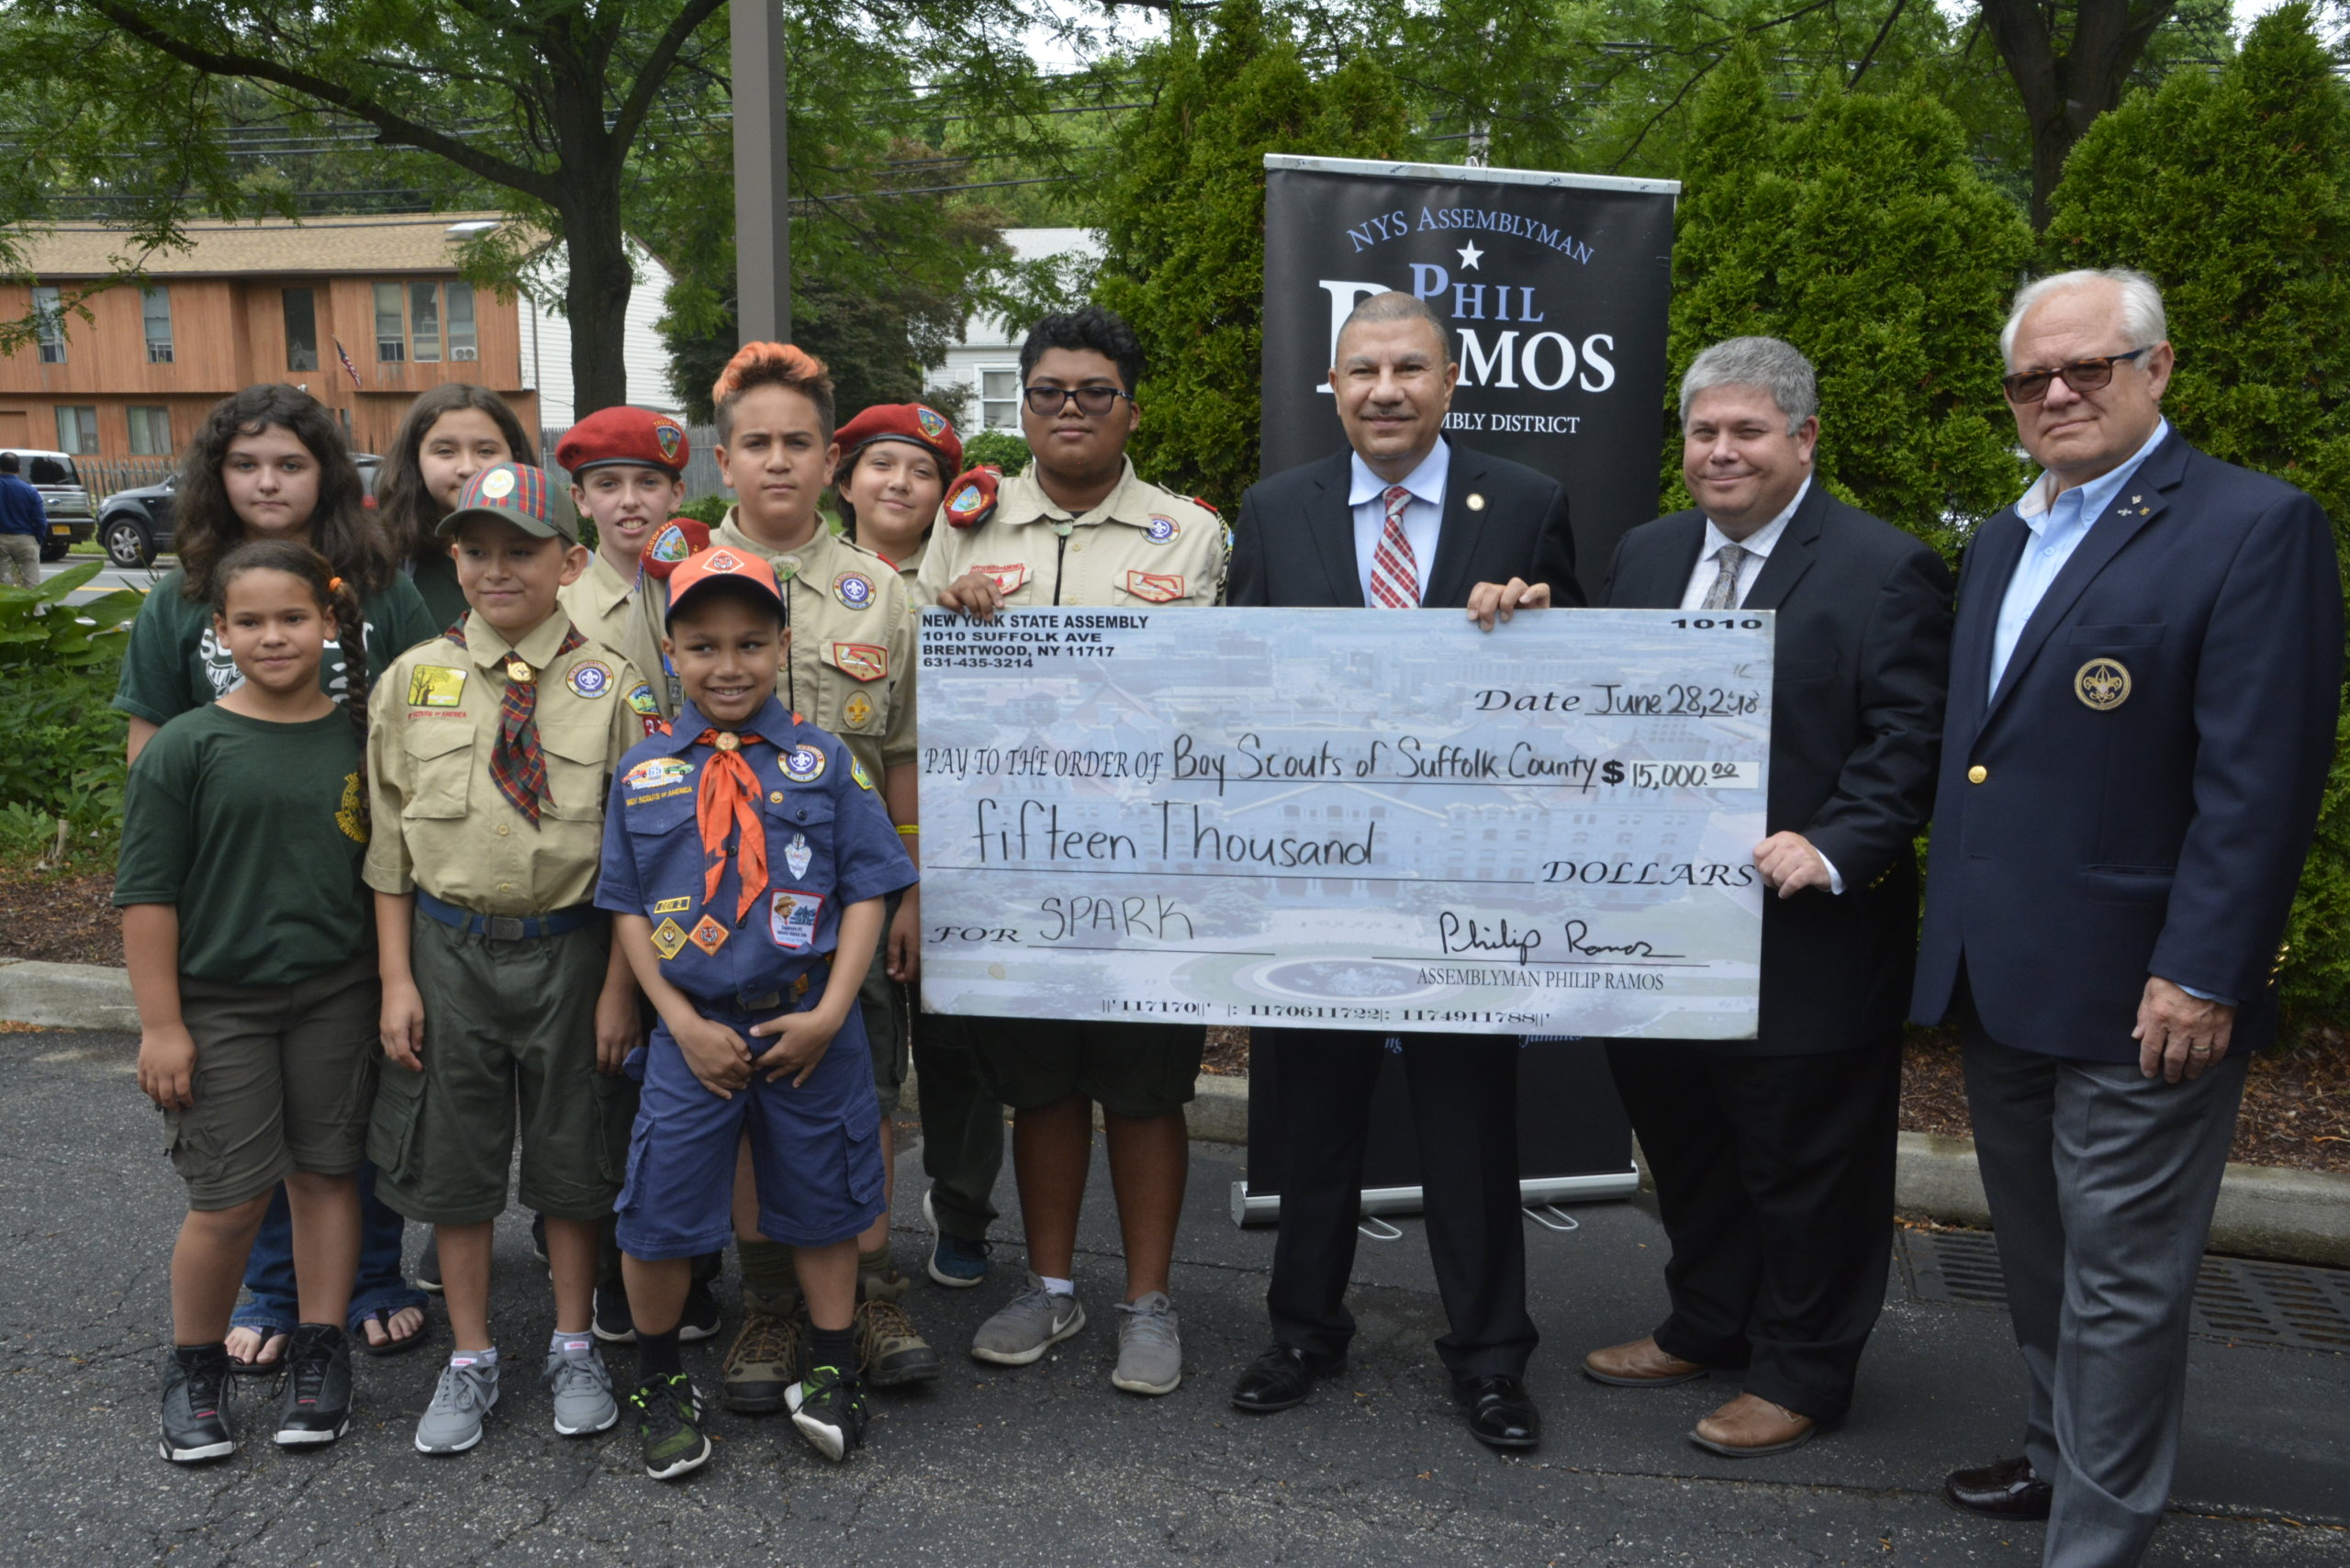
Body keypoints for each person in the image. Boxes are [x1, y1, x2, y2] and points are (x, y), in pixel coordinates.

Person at [1916, 269, 2341, 1568]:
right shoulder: (2004, 537)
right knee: (2040, 1258)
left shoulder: (2251, 527)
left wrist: (2205, 973)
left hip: (2145, 993)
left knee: (2122, 1279)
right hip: (2003, 977)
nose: (2055, 394)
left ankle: (2097, 1537)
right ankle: (2058, 1461)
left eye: (2086, 369)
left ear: (2159, 370)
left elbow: (2260, 783)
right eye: (2030, 378)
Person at [1585, 336, 1953, 1455]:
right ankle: (1709, 1319)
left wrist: (1833, 844)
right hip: (1659, 924)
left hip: (1805, 928)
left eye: (1747, 431)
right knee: (1687, 1143)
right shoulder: (1644, 555)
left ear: (1803, 438)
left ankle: (1802, 1370)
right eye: (1703, 432)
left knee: (1806, 1166)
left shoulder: (1885, 567)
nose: (1721, 452)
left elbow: (1908, 739)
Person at [1225, 289, 1579, 1450]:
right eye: (1362, 369)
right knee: (1311, 1112)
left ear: (1450, 379)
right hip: (1317, 874)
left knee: (1466, 1122)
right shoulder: (1276, 512)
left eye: (1409, 368)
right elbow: (1235, 685)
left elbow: (1583, 679)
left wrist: (1538, 616)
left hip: (1464, 881)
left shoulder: (1525, 506)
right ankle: (1299, 1333)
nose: (1385, 389)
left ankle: (1489, 1358)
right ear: (1332, 384)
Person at [919, 306, 1225, 1397]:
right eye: (1049, 391)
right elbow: (928, 685)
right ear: (1026, 403)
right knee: (1040, 1087)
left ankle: (1148, 1302)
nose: (1070, 410)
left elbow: (1219, 698)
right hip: (1010, 864)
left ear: (1131, 408)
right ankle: (1049, 1285)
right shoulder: (970, 525)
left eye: (1095, 392)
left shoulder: (1186, 534)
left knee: (1145, 1091)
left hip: (1147, 863)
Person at [626, 346, 935, 1412]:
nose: (777, 460)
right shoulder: (673, 579)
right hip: (709, 926)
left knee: (857, 1100)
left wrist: (907, 889)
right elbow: (641, 760)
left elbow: (897, 745)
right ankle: (767, 1300)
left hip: (842, 914)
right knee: (744, 1110)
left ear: (829, 455)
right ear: (722, 457)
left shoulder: (877, 588)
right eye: (755, 442)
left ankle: (870, 1292)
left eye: (798, 441)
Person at [112, 383, 439, 1372]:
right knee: (251, 1122)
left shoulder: (381, 586)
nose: (267, 481)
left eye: (290, 463)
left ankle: (371, 1276)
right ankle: (269, 1287)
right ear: (217, 477)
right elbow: (147, 756)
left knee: (348, 1113)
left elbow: (429, 713)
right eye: (246, 464)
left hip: (357, 901)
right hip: (234, 905)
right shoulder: (181, 599)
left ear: (325, 473)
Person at [596, 544, 918, 1480]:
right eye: (702, 646)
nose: (725, 665)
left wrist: (832, 1010)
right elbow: (623, 903)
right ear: (672, 650)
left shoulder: (822, 763)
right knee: (656, 1211)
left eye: (747, 643)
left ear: (782, 645)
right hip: (690, 1028)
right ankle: (659, 1380)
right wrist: (674, 1020)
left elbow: (868, 889)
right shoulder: (645, 771)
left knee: (823, 1204)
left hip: (810, 1025)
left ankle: (827, 1365)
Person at [364, 461, 655, 1455]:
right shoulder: (412, 679)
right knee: (455, 1160)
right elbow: (389, 848)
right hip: (449, 950)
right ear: (452, 557)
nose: (497, 569)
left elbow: (634, 857)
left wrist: (622, 987)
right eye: (476, 549)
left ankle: (574, 1340)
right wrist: (397, 979)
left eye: (522, 550)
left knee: (574, 1157)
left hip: (570, 950)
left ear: (570, 562)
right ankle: (473, 1354)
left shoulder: (614, 686)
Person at [120, 540, 381, 1462]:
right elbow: (147, 896)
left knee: (323, 1176)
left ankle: (320, 1349)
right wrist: (162, 1025)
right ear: (219, 632)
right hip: (219, 1004)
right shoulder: (188, 746)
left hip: (337, 996)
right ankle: (195, 1364)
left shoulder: (360, 736)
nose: (275, 636)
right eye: (252, 622)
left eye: (294, 618)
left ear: (328, 623)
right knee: (230, 1200)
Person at [832, 402, 1002, 1292]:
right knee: (858, 1056)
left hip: (968, 841)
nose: (899, 483)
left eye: (921, 470)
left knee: (960, 1042)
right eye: (880, 465)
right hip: (853, 853)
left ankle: (964, 1207)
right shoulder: (816, 581)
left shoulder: (974, 577)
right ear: (846, 478)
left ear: (946, 489)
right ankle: (847, 1245)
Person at [556, 405, 690, 716]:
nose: (630, 500)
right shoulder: (558, 610)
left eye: (648, 482)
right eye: (608, 484)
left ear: (676, 494)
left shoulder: (710, 593)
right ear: (581, 499)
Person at [375, 384, 534, 629]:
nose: (468, 468)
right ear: (415, 461)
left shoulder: (560, 556)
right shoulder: (382, 566)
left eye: (486, 451)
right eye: (446, 451)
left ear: (515, 457)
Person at [0, 450, 46, 588]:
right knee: (31, 585)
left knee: (4, 586)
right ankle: (33, 609)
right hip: (25, 539)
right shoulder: (30, 490)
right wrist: (38, 540)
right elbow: (40, 519)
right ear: (19, 469)